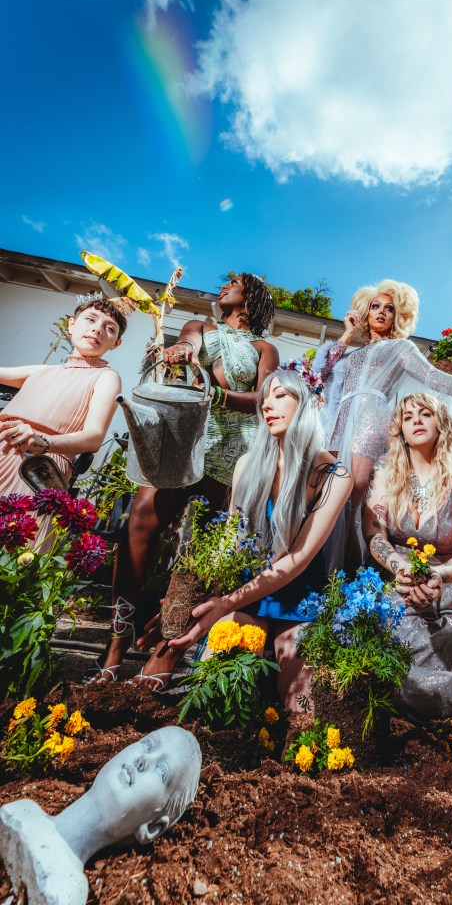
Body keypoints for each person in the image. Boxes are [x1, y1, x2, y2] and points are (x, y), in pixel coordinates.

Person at [86, 272, 278, 684]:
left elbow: (264, 400)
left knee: (206, 550)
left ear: (252, 297)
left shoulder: (265, 349)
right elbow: (189, 345)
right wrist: (183, 350)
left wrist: (218, 394)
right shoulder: (200, 327)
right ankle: (117, 640)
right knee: (141, 521)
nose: (224, 285)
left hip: (233, 451)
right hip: (185, 437)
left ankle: (167, 651)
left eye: (234, 282)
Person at [136, 365, 353, 705]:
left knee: (301, 703)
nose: (266, 405)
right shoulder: (247, 465)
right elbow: (230, 544)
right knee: (217, 692)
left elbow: (298, 558)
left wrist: (225, 602)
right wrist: (188, 602)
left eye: (279, 395)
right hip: (247, 595)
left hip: (301, 599)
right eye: (264, 398)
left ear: (308, 403)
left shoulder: (334, 476)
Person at [313, 279, 452, 507]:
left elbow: (431, 376)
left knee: (356, 486)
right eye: (375, 306)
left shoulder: (401, 347)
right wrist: (348, 334)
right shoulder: (350, 354)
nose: (381, 312)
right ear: (365, 311)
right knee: (328, 484)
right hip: (338, 421)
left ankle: (358, 530)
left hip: (369, 418)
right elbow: (319, 376)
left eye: (390, 309)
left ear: (398, 316)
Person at [362, 392, 452, 720]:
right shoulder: (386, 477)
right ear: (401, 431)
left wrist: (437, 576)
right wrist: (402, 568)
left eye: (425, 414)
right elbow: (374, 535)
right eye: (407, 417)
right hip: (396, 587)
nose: (416, 421)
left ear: (441, 424)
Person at [0, 726, 201, 905]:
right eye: (148, 745)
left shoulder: (67, 889)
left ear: (152, 827)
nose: (144, 760)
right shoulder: (23, 811)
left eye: (162, 771)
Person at [0, 299, 125, 532]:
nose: (97, 329)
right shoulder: (42, 371)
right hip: (2, 448)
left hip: (38, 466)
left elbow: (94, 437)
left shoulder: (106, 377)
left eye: (109, 328)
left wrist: (44, 442)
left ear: (116, 343)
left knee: (16, 538)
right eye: (90, 320)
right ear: (72, 325)